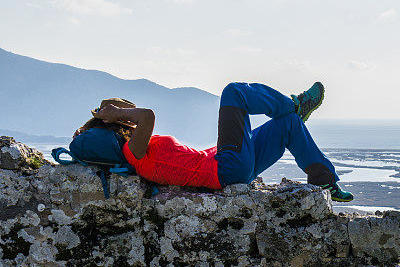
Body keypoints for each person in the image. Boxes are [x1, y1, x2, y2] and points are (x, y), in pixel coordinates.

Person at [74, 82, 354, 202]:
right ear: (115, 124)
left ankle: (323, 178)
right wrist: (116, 114)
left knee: (289, 124)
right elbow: (147, 115)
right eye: (124, 118)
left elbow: (142, 119)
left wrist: (118, 114)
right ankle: (294, 104)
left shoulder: (137, 148)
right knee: (233, 92)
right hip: (228, 168)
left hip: (229, 165)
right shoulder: (132, 152)